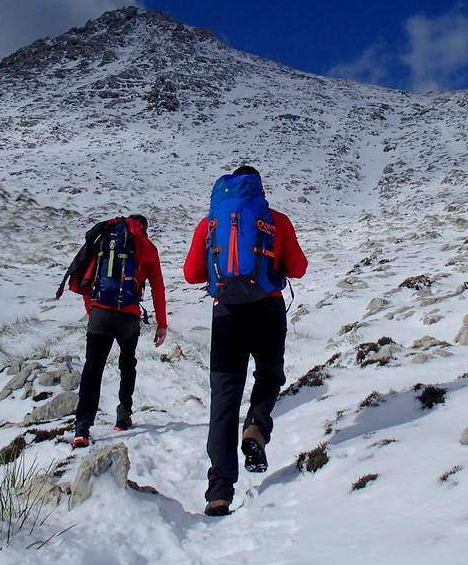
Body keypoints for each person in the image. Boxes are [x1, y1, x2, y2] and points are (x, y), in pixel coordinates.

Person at [183, 166, 307, 516]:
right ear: (259, 189)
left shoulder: (211, 223)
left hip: (226, 316)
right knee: (269, 375)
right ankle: (256, 426)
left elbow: (191, 274)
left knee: (224, 400)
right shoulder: (276, 220)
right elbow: (298, 268)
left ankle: (219, 492)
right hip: (268, 310)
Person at [72, 214, 168, 447]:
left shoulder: (107, 238)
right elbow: (157, 288)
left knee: (93, 368)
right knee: (127, 364)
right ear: (144, 228)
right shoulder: (148, 248)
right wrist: (162, 323)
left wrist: (91, 307)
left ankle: (82, 428)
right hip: (129, 317)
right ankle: (123, 418)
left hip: (100, 313)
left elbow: (89, 274)